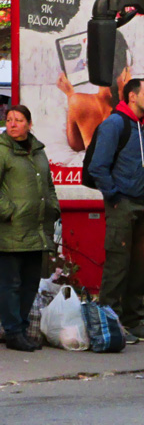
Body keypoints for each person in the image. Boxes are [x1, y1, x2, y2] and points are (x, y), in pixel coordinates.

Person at [90, 77, 144, 344]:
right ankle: (111, 322)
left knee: (140, 266)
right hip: (123, 203)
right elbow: (98, 166)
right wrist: (114, 196)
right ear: (132, 96)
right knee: (118, 264)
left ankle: (133, 321)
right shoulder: (115, 124)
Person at [0, 105, 59, 351]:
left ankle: (21, 329)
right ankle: (13, 332)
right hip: (11, 230)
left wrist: (53, 208)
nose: (13, 124)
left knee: (30, 282)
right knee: (11, 283)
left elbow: (48, 184)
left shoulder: (38, 151)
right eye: (9, 119)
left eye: (19, 120)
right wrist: (8, 212)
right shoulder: (2, 151)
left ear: (29, 124)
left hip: (36, 230)